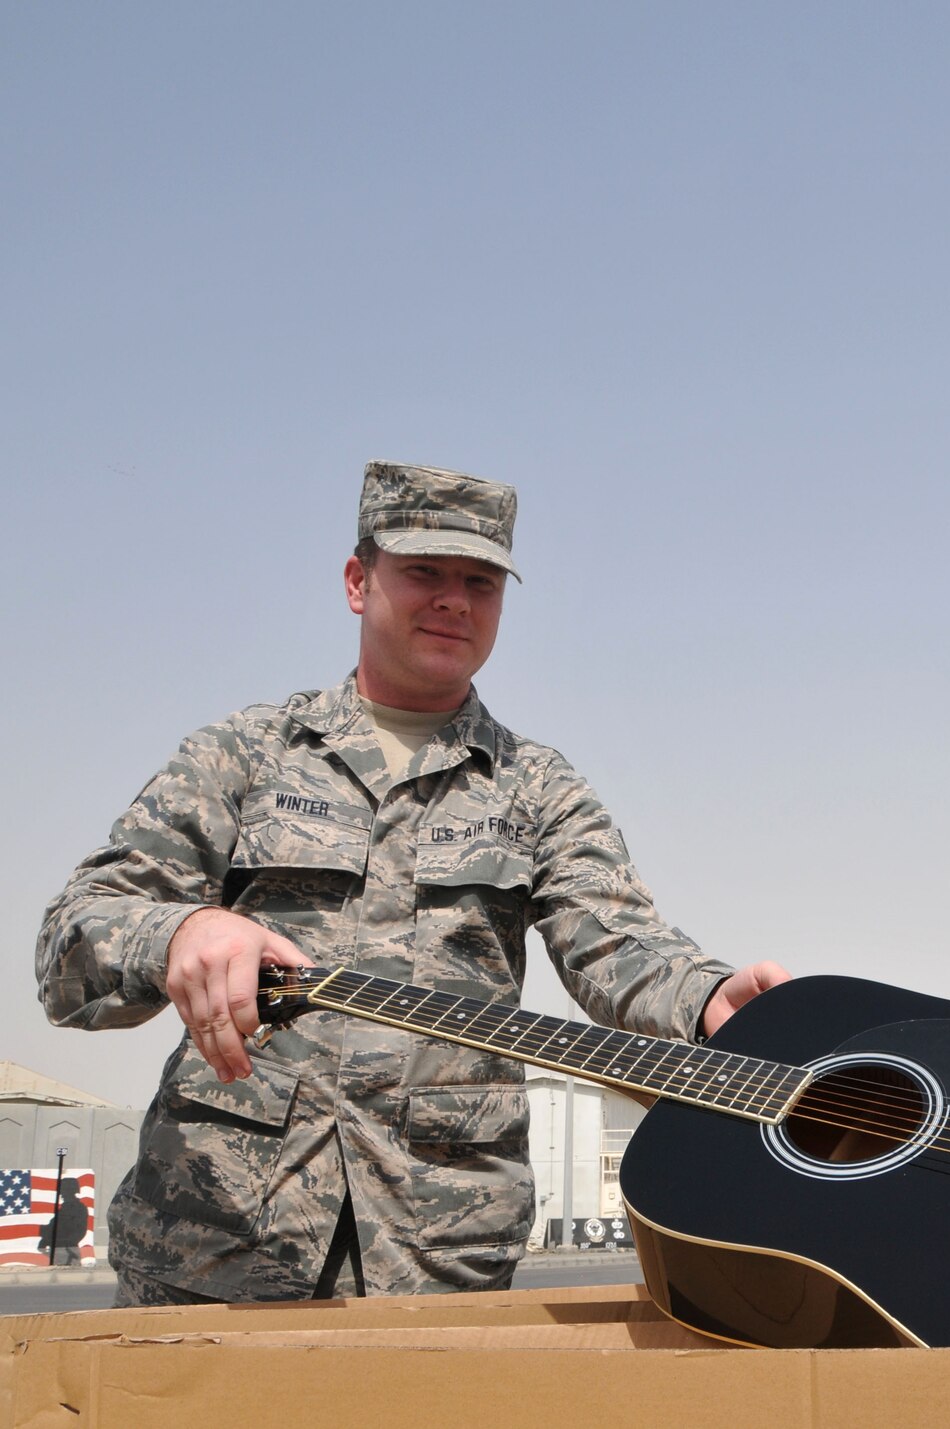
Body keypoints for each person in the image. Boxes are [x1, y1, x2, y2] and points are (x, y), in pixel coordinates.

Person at [37, 462, 789, 1307]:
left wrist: (712, 994)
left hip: (439, 1260)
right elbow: (72, 944)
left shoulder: (536, 786)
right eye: (424, 572)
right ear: (359, 582)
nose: (454, 600)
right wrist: (178, 934)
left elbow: (621, 944)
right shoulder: (244, 754)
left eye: (480, 581)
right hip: (217, 1249)